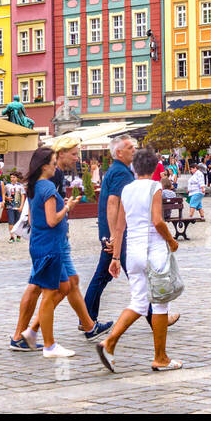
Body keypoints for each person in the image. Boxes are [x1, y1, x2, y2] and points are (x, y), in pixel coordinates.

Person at [96, 147, 182, 373]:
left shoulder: (126, 190)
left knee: (138, 302)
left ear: (134, 167)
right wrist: (171, 241)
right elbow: (157, 221)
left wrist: (116, 257)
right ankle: (160, 357)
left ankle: (110, 342)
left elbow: (120, 226)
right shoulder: (154, 187)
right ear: (155, 168)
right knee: (160, 303)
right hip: (153, 250)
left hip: (132, 252)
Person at [20, 147, 80, 358]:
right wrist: (67, 207)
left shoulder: (37, 186)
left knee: (64, 286)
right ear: (44, 166)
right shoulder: (48, 188)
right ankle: (49, 346)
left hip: (43, 243)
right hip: (49, 245)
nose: (56, 167)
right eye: (54, 163)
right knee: (48, 294)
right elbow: (52, 220)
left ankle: (32, 330)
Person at [84, 137, 138, 323]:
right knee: (137, 277)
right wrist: (116, 236)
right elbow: (113, 204)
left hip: (111, 233)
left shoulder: (116, 170)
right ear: (119, 153)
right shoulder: (121, 173)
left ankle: (87, 319)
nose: (134, 149)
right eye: (130, 147)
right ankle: (157, 315)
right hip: (116, 234)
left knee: (103, 276)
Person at [4, 175, 24, 241]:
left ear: (17, 178)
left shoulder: (20, 186)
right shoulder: (7, 186)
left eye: (14, 177)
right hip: (10, 206)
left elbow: (23, 196)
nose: (12, 179)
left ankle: (18, 236)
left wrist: (21, 206)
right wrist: (7, 198)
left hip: (18, 206)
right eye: (11, 177)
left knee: (18, 221)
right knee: (11, 221)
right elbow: (2, 194)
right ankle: (12, 236)